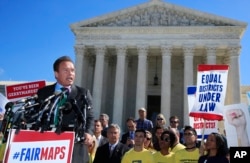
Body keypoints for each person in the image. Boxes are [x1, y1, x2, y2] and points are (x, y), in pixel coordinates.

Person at [36, 56, 94, 163]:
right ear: (56, 74)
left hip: (74, 149)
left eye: (72, 70)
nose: (70, 73)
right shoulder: (43, 93)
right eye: (66, 70)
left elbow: (90, 117)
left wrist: (88, 132)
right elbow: (36, 115)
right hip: (47, 148)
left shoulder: (83, 93)